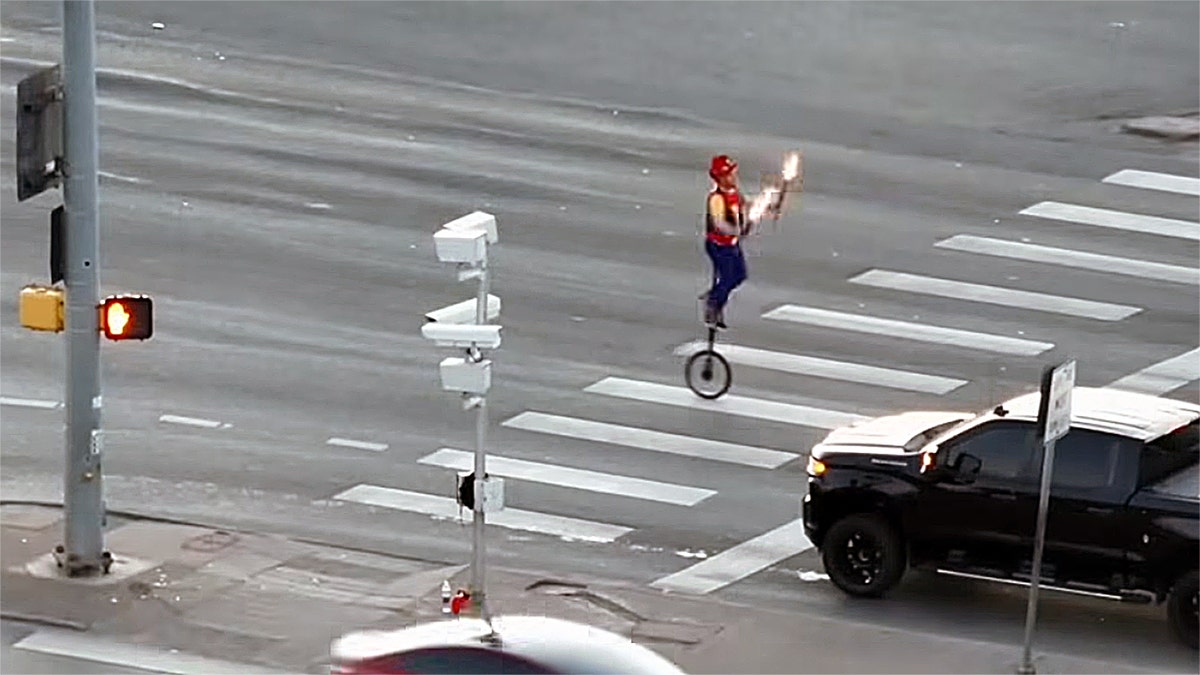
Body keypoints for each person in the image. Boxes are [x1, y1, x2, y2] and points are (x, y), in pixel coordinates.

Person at [702, 154, 768, 329]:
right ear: (720, 178)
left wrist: (764, 207)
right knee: (728, 277)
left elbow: (745, 207)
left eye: (733, 173)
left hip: (731, 243)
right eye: (729, 175)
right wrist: (736, 231)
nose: (733, 177)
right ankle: (713, 303)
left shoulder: (735, 194)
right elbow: (718, 223)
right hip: (718, 245)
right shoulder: (716, 198)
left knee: (739, 275)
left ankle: (716, 298)